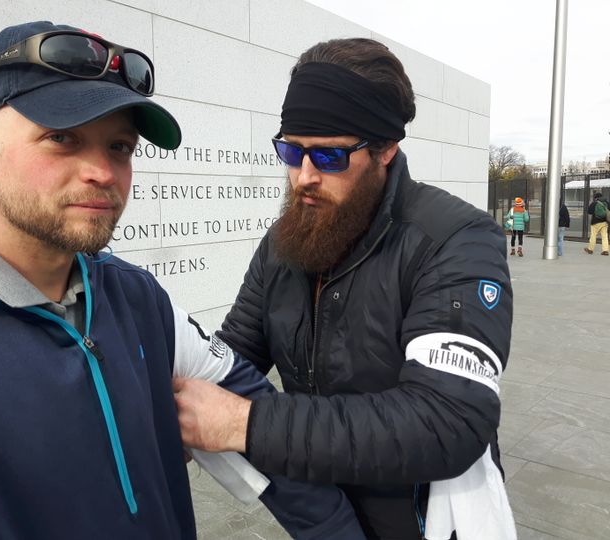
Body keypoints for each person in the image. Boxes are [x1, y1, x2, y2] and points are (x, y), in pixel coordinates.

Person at [0, 21, 366, 539]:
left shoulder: (138, 300)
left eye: (119, 147)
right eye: (62, 138)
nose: (101, 171)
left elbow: (267, 436)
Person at [173, 38, 516, 539]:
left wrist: (249, 423)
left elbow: (448, 419)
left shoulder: (455, 241)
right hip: (327, 517)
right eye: (291, 151)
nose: (303, 178)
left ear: (385, 149)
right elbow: (235, 354)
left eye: (329, 158)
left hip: (426, 522)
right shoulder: (284, 241)